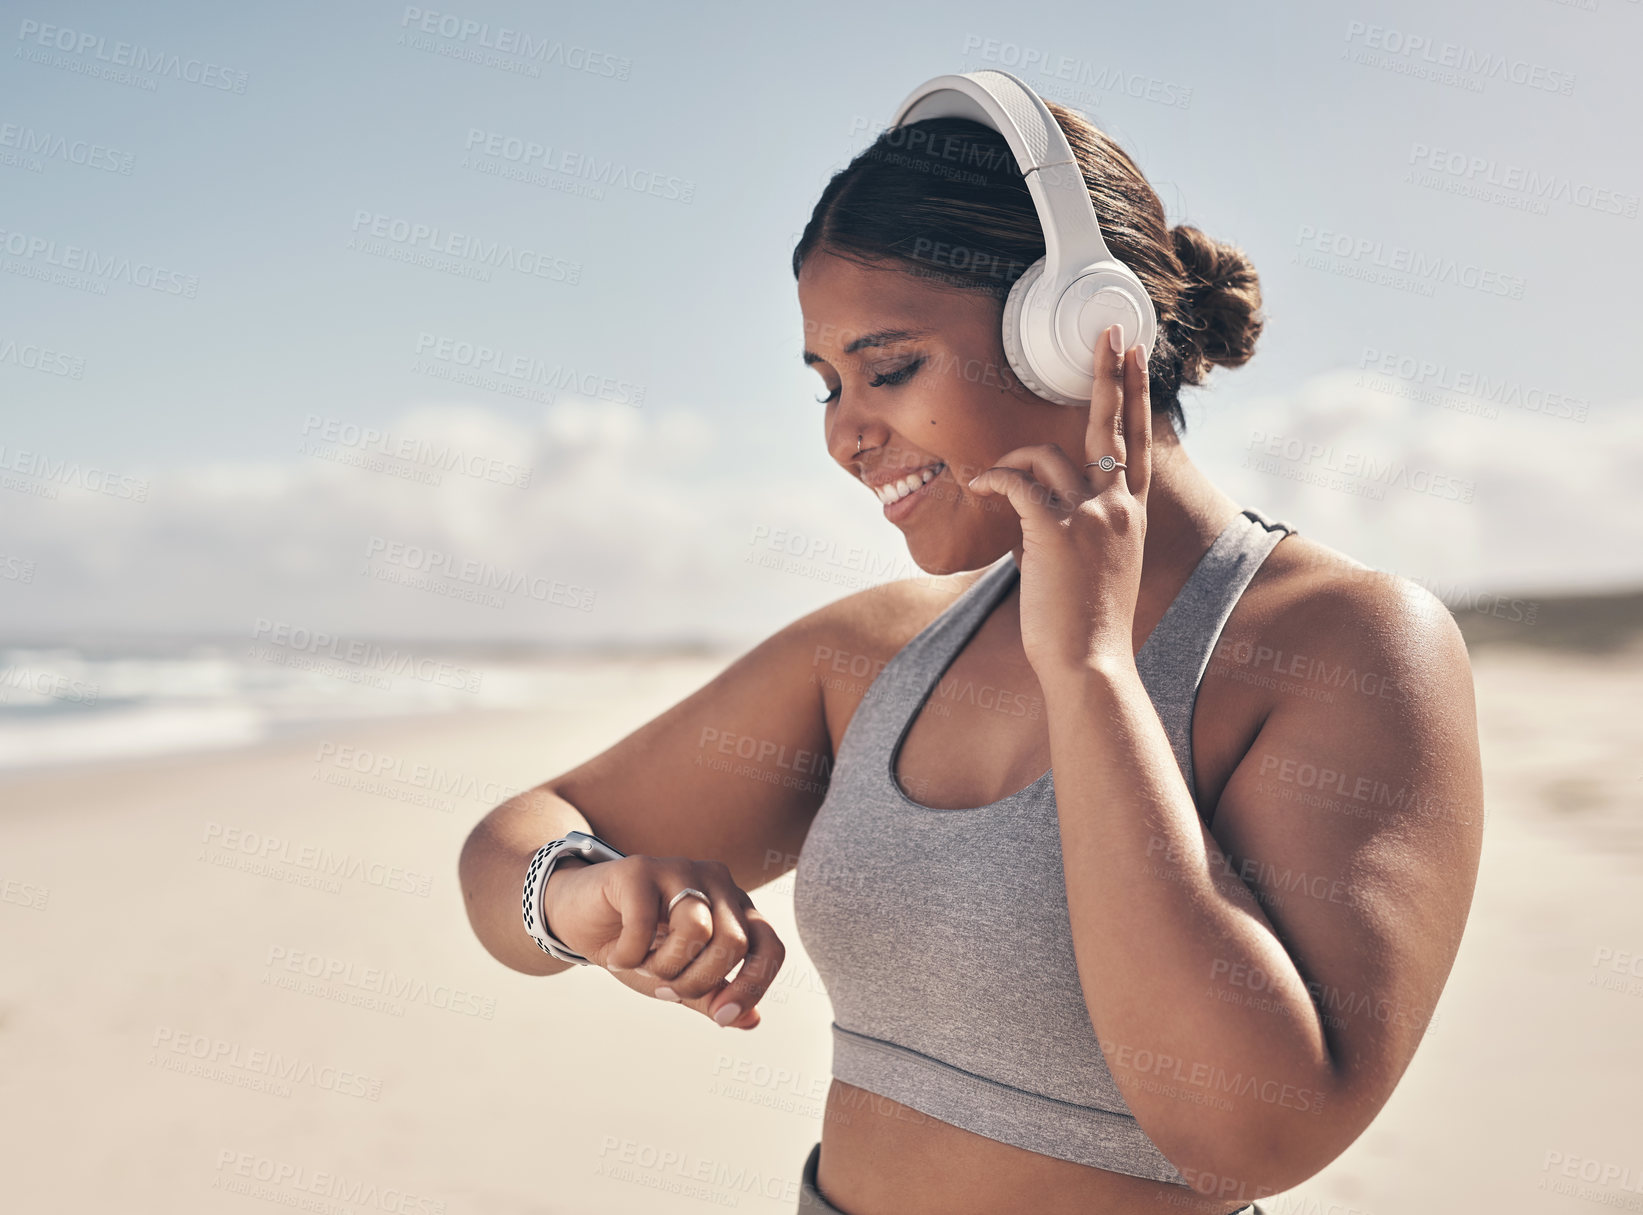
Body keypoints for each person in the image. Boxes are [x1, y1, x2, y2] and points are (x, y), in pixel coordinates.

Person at [458, 89, 1484, 1215]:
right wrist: (582, 898)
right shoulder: (873, 656)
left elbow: (1243, 1138)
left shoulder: (1343, 644)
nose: (844, 434)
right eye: (825, 383)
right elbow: (515, 837)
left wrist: (1088, 671)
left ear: (1085, 334)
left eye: (886, 367)